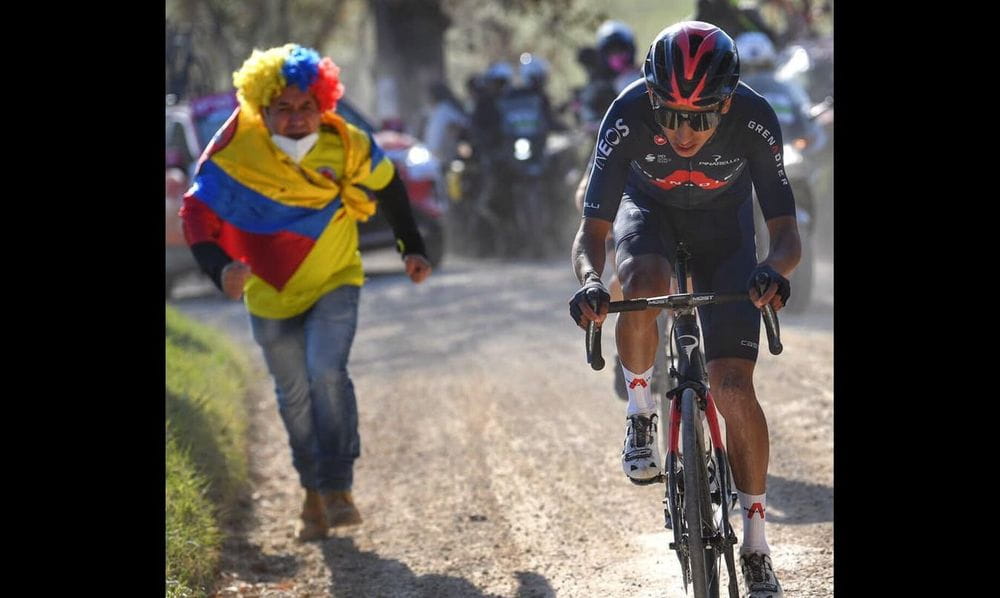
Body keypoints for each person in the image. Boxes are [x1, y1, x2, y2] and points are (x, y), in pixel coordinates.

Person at [568, 22, 799, 597]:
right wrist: (593, 281)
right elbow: (590, 232)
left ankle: (756, 543)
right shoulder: (624, 115)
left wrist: (774, 271)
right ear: (651, 98)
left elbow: (787, 235)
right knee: (641, 280)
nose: (684, 131)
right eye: (670, 115)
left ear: (727, 102)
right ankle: (641, 412)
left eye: (701, 117)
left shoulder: (754, 116)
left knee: (732, 387)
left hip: (727, 233)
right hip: (648, 215)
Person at [180, 44, 432, 542]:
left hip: (336, 278)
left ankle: (338, 487)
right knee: (293, 397)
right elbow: (196, 214)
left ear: (323, 105)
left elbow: (389, 184)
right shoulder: (236, 149)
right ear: (263, 109)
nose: (297, 119)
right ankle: (312, 493)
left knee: (326, 373)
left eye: (306, 107)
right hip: (269, 296)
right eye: (284, 109)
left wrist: (411, 246)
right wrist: (220, 269)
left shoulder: (347, 142)